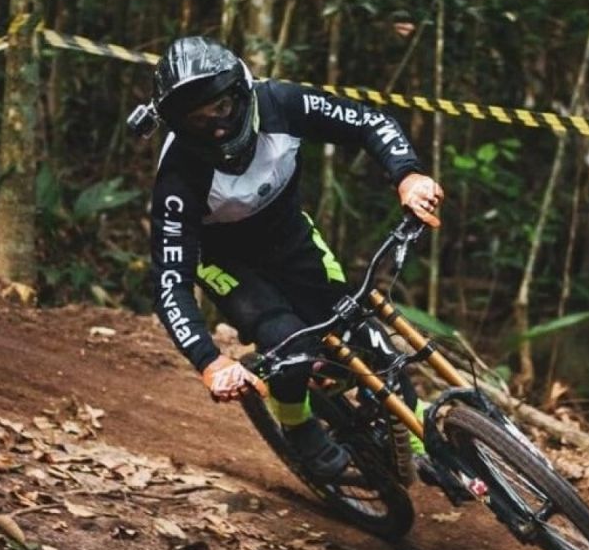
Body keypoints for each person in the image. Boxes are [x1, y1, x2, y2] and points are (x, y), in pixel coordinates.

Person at [128, 36, 443, 479]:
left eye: (221, 108)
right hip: (225, 260)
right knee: (287, 343)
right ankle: (296, 426)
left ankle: (420, 431)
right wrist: (209, 361)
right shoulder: (178, 177)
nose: (216, 128)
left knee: (362, 331)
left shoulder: (281, 103)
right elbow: (169, 283)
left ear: (242, 93)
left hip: (289, 235)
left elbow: (368, 121)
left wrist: (407, 175)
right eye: (197, 120)